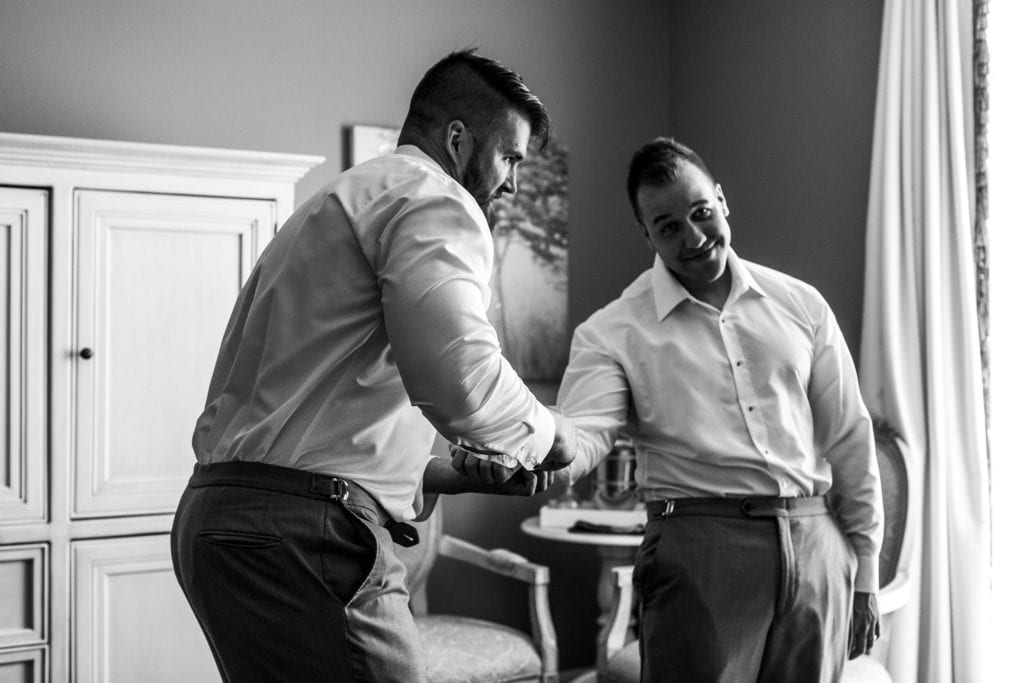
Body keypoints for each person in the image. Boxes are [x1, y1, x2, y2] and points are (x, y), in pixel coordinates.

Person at [170, 48, 575, 683]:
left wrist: (450, 476)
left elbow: (309, 428)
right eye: (510, 158)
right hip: (307, 536)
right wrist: (553, 436)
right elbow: (461, 378)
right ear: (459, 140)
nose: (512, 185)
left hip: (220, 522)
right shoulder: (435, 198)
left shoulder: (335, 203)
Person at [461, 137, 884, 681]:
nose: (695, 238)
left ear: (721, 200)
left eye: (701, 213)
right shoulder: (612, 331)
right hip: (701, 552)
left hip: (817, 545)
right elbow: (584, 436)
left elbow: (849, 436)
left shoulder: (803, 305)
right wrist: (524, 447)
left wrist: (864, 570)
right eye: (669, 227)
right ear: (647, 234)